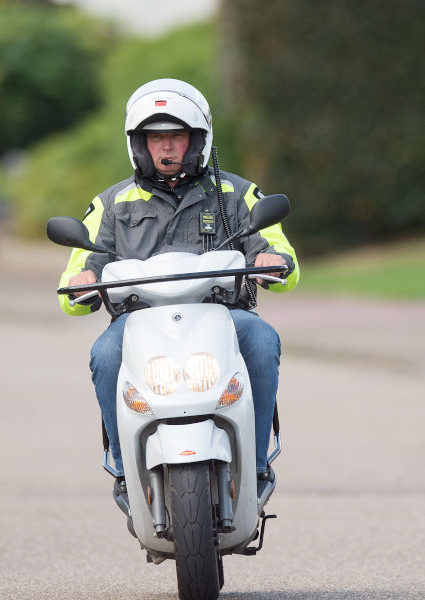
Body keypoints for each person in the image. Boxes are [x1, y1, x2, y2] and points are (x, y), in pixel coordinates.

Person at [57, 78, 299, 501]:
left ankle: (256, 465)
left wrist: (271, 262)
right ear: (138, 144)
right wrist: (81, 283)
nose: (166, 148)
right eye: (155, 138)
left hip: (223, 317)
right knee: (104, 352)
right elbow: (80, 272)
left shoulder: (239, 193)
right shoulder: (110, 204)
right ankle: (124, 468)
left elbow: (280, 255)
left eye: (176, 136)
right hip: (138, 325)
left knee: (261, 337)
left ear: (198, 140)